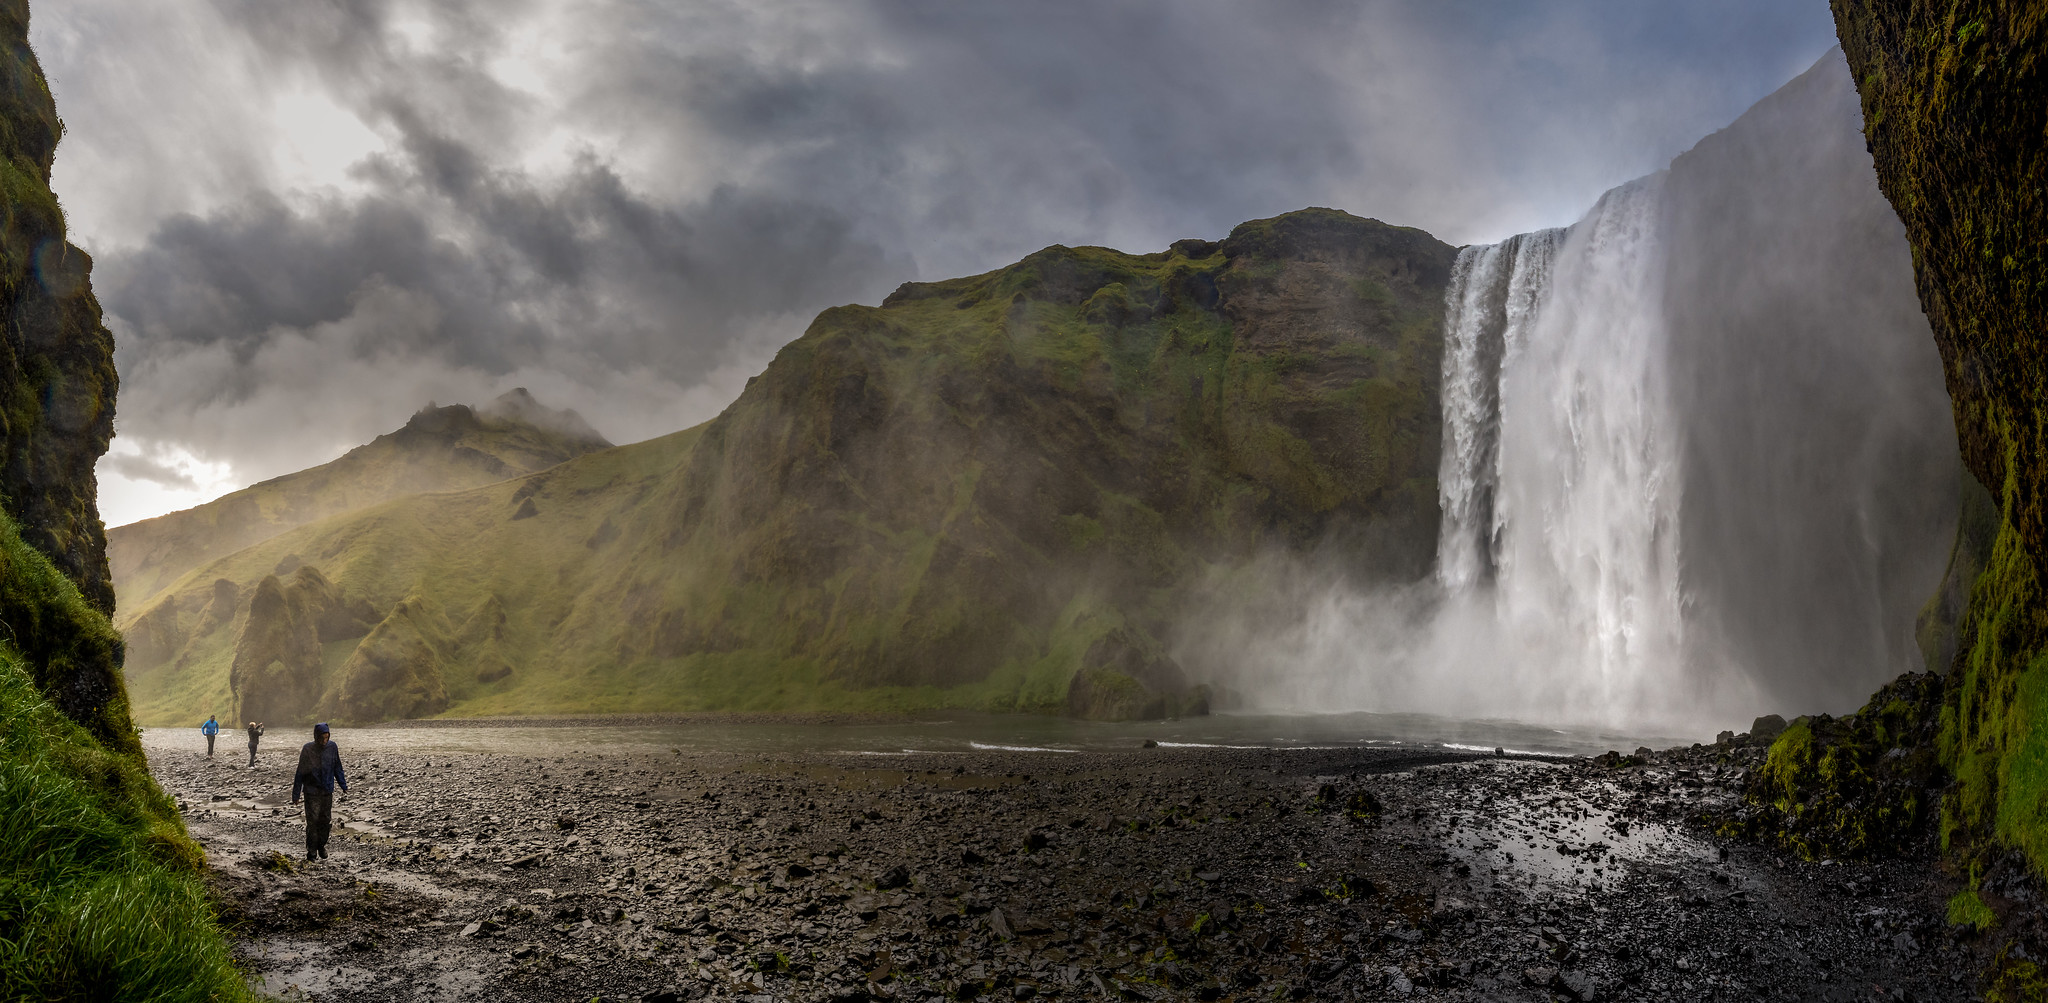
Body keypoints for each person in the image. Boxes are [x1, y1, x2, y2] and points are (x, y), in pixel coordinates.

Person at [290, 722, 348, 861]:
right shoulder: (307, 749)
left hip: (327, 790)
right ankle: (311, 851)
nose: (324, 741)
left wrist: (343, 784)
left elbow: (337, 766)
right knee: (312, 822)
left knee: (326, 821)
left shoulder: (332, 747)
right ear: (316, 737)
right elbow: (300, 772)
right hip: (311, 791)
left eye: (326, 738)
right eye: (322, 738)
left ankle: (321, 845)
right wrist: (296, 794)